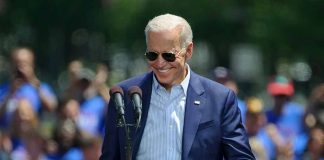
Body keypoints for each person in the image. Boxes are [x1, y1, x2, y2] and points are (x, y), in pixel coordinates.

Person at [100, 13, 254, 160]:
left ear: (188, 51)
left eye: (168, 55)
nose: (160, 63)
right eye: (152, 55)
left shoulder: (219, 99)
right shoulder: (123, 96)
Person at [0, 47, 57, 128]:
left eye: (24, 64)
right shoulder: (2, 89)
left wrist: (34, 83)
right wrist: (10, 92)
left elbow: (52, 107)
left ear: (32, 65)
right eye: (16, 64)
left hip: (31, 138)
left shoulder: (40, 88)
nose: (20, 68)